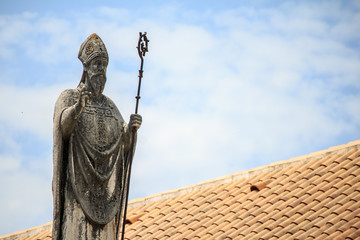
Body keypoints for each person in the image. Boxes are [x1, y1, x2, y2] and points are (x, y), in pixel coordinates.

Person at [52, 33, 142, 240]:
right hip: (77, 187)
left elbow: (123, 144)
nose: (101, 70)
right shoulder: (70, 97)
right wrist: (77, 108)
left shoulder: (110, 107)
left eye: (104, 65)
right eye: (97, 64)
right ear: (86, 68)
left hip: (105, 197)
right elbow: (63, 129)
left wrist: (131, 131)